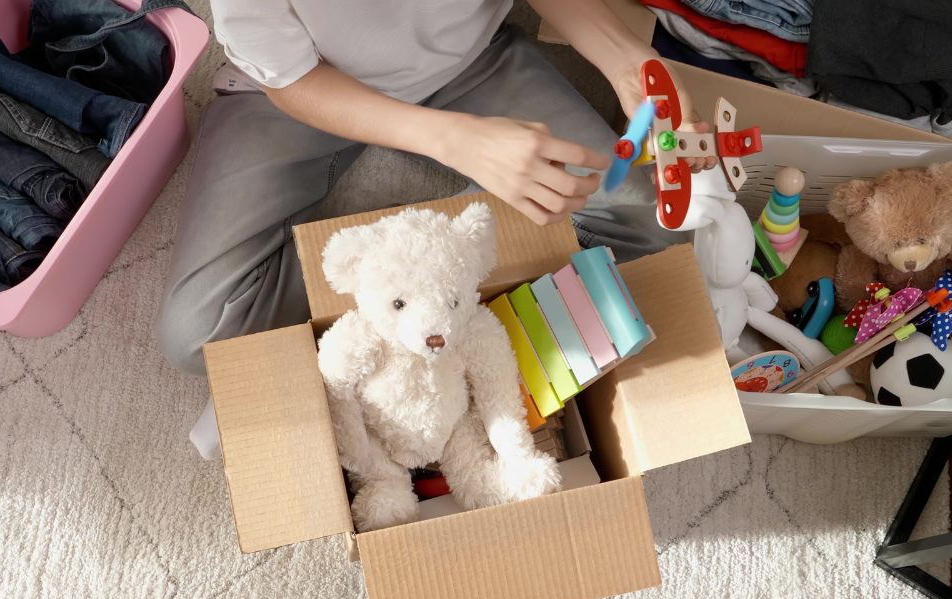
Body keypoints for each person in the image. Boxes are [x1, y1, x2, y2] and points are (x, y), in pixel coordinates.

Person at [160, 0, 716, 456]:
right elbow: (290, 79)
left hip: (467, 62)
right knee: (200, 333)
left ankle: (435, 251)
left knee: (655, 235)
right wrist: (456, 142)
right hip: (303, 88)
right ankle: (428, 249)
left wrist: (627, 62)